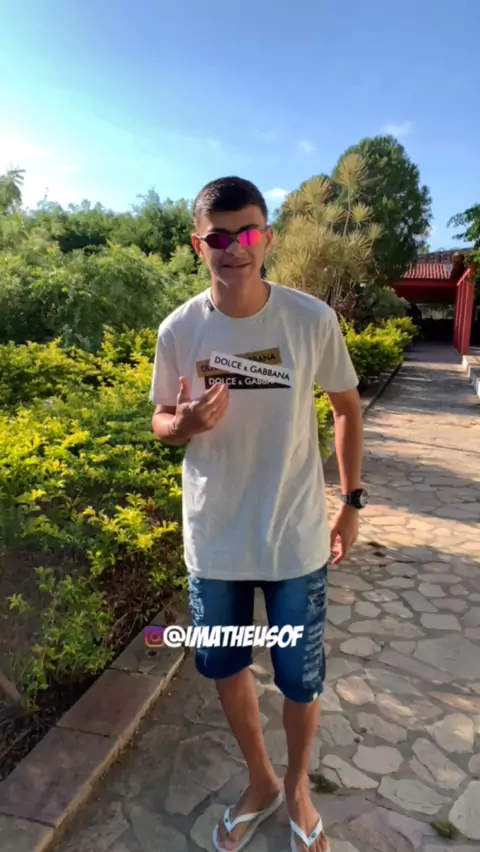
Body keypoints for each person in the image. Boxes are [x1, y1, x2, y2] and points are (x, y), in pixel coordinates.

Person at [150, 176, 366, 852]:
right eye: (219, 237)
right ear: (199, 245)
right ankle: (262, 780)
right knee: (226, 667)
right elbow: (160, 417)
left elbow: (346, 407)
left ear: (267, 239)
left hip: (294, 539)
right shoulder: (179, 329)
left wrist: (351, 502)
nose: (234, 247)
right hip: (215, 541)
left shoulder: (310, 320)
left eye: (247, 233)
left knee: (300, 679)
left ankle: (298, 787)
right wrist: (180, 424)